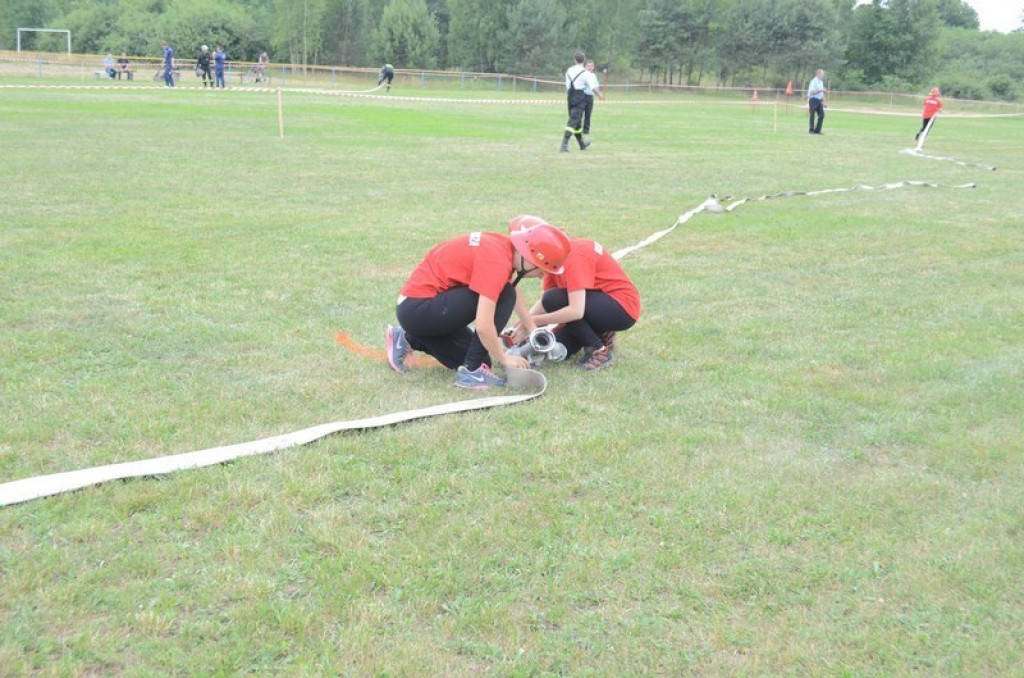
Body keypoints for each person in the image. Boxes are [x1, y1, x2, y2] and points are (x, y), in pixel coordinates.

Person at [385, 216, 572, 390]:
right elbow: (484, 324)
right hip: (418, 309)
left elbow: (512, 290)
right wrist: (504, 358)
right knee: (503, 296)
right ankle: (473, 372)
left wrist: (532, 328)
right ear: (530, 259)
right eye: (543, 269)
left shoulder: (503, 248)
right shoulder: (496, 262)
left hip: (420, 310)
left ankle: (407, 337)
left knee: (469, 356)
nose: (543, 275)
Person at [515, 235, 640, 371]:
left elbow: (573, 310)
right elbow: (546, 305)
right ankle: (601, 333)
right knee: (557, 345)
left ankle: (598, 351)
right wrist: (523, 324)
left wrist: (533, 321)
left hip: (621, 308)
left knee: (553, 298)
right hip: (598, 306)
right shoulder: (552, 258)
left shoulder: (574, 257)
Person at [560, 51, 594, 153]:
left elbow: (567, 85)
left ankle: (582, 144)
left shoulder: (569, 70)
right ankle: (564, 145)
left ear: (574, 60)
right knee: (573, 120)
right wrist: (599, 94)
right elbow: (592, 86)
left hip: (570, 95)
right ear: (584, 60)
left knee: (577, 122)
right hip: (580, 96)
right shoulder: (585, 72)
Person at [582, 59, 604, 138]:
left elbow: (596, 86)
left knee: (588, 114)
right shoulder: (583, 74)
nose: (590, 67)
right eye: (588, 66)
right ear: (585, 66)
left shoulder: (594, 76)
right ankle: (577, 129)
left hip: (590, 97)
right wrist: (599, 95)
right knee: (579, 114)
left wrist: (598, 94)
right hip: (582, 96)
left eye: (591, 66)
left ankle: (586, 130)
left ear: (593, 67)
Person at [807, 68, 826, 134]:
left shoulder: (821, 82)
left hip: (819, 100)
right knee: (812, 115)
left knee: (822, 115)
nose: (823, 75)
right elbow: (811, 92)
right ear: (818, 74)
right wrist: (820, 90)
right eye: (822, 74)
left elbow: (822, 93)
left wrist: (824, 102)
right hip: (813, 100)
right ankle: (811, 130)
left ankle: (817, 130)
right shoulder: (813, 81)